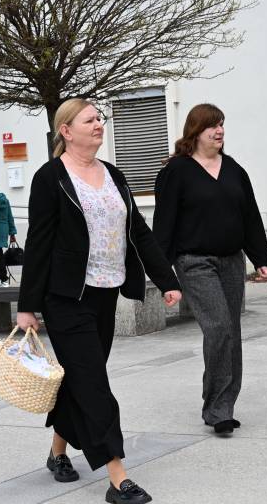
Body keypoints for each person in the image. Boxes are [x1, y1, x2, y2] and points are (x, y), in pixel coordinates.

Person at [16, 98, 182, 504]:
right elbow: (38, 242)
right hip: (65, 297)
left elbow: (138, 231)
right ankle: (117, 478)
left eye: (99, 119)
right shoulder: (50, 178)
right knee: (94, 384)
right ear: (66, 131)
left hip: (106, 293)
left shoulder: (113, 174)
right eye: (89, 119)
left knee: (81, 379)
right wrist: (27, 305)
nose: (98, 124)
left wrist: (166, 279)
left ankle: (57, 452)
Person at [153, 103, 267, 436]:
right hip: (194, 262)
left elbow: (250, 215)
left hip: (232, 260)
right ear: (195, 131)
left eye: (221, 124)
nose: (219, 131)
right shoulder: (176, 171)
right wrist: (163, 276)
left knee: (231, 331)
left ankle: (223, 405)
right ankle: (217, 407)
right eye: (212, 126)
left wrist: (260, 257)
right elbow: (164, 223)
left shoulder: (233, 169)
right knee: (218, 327)